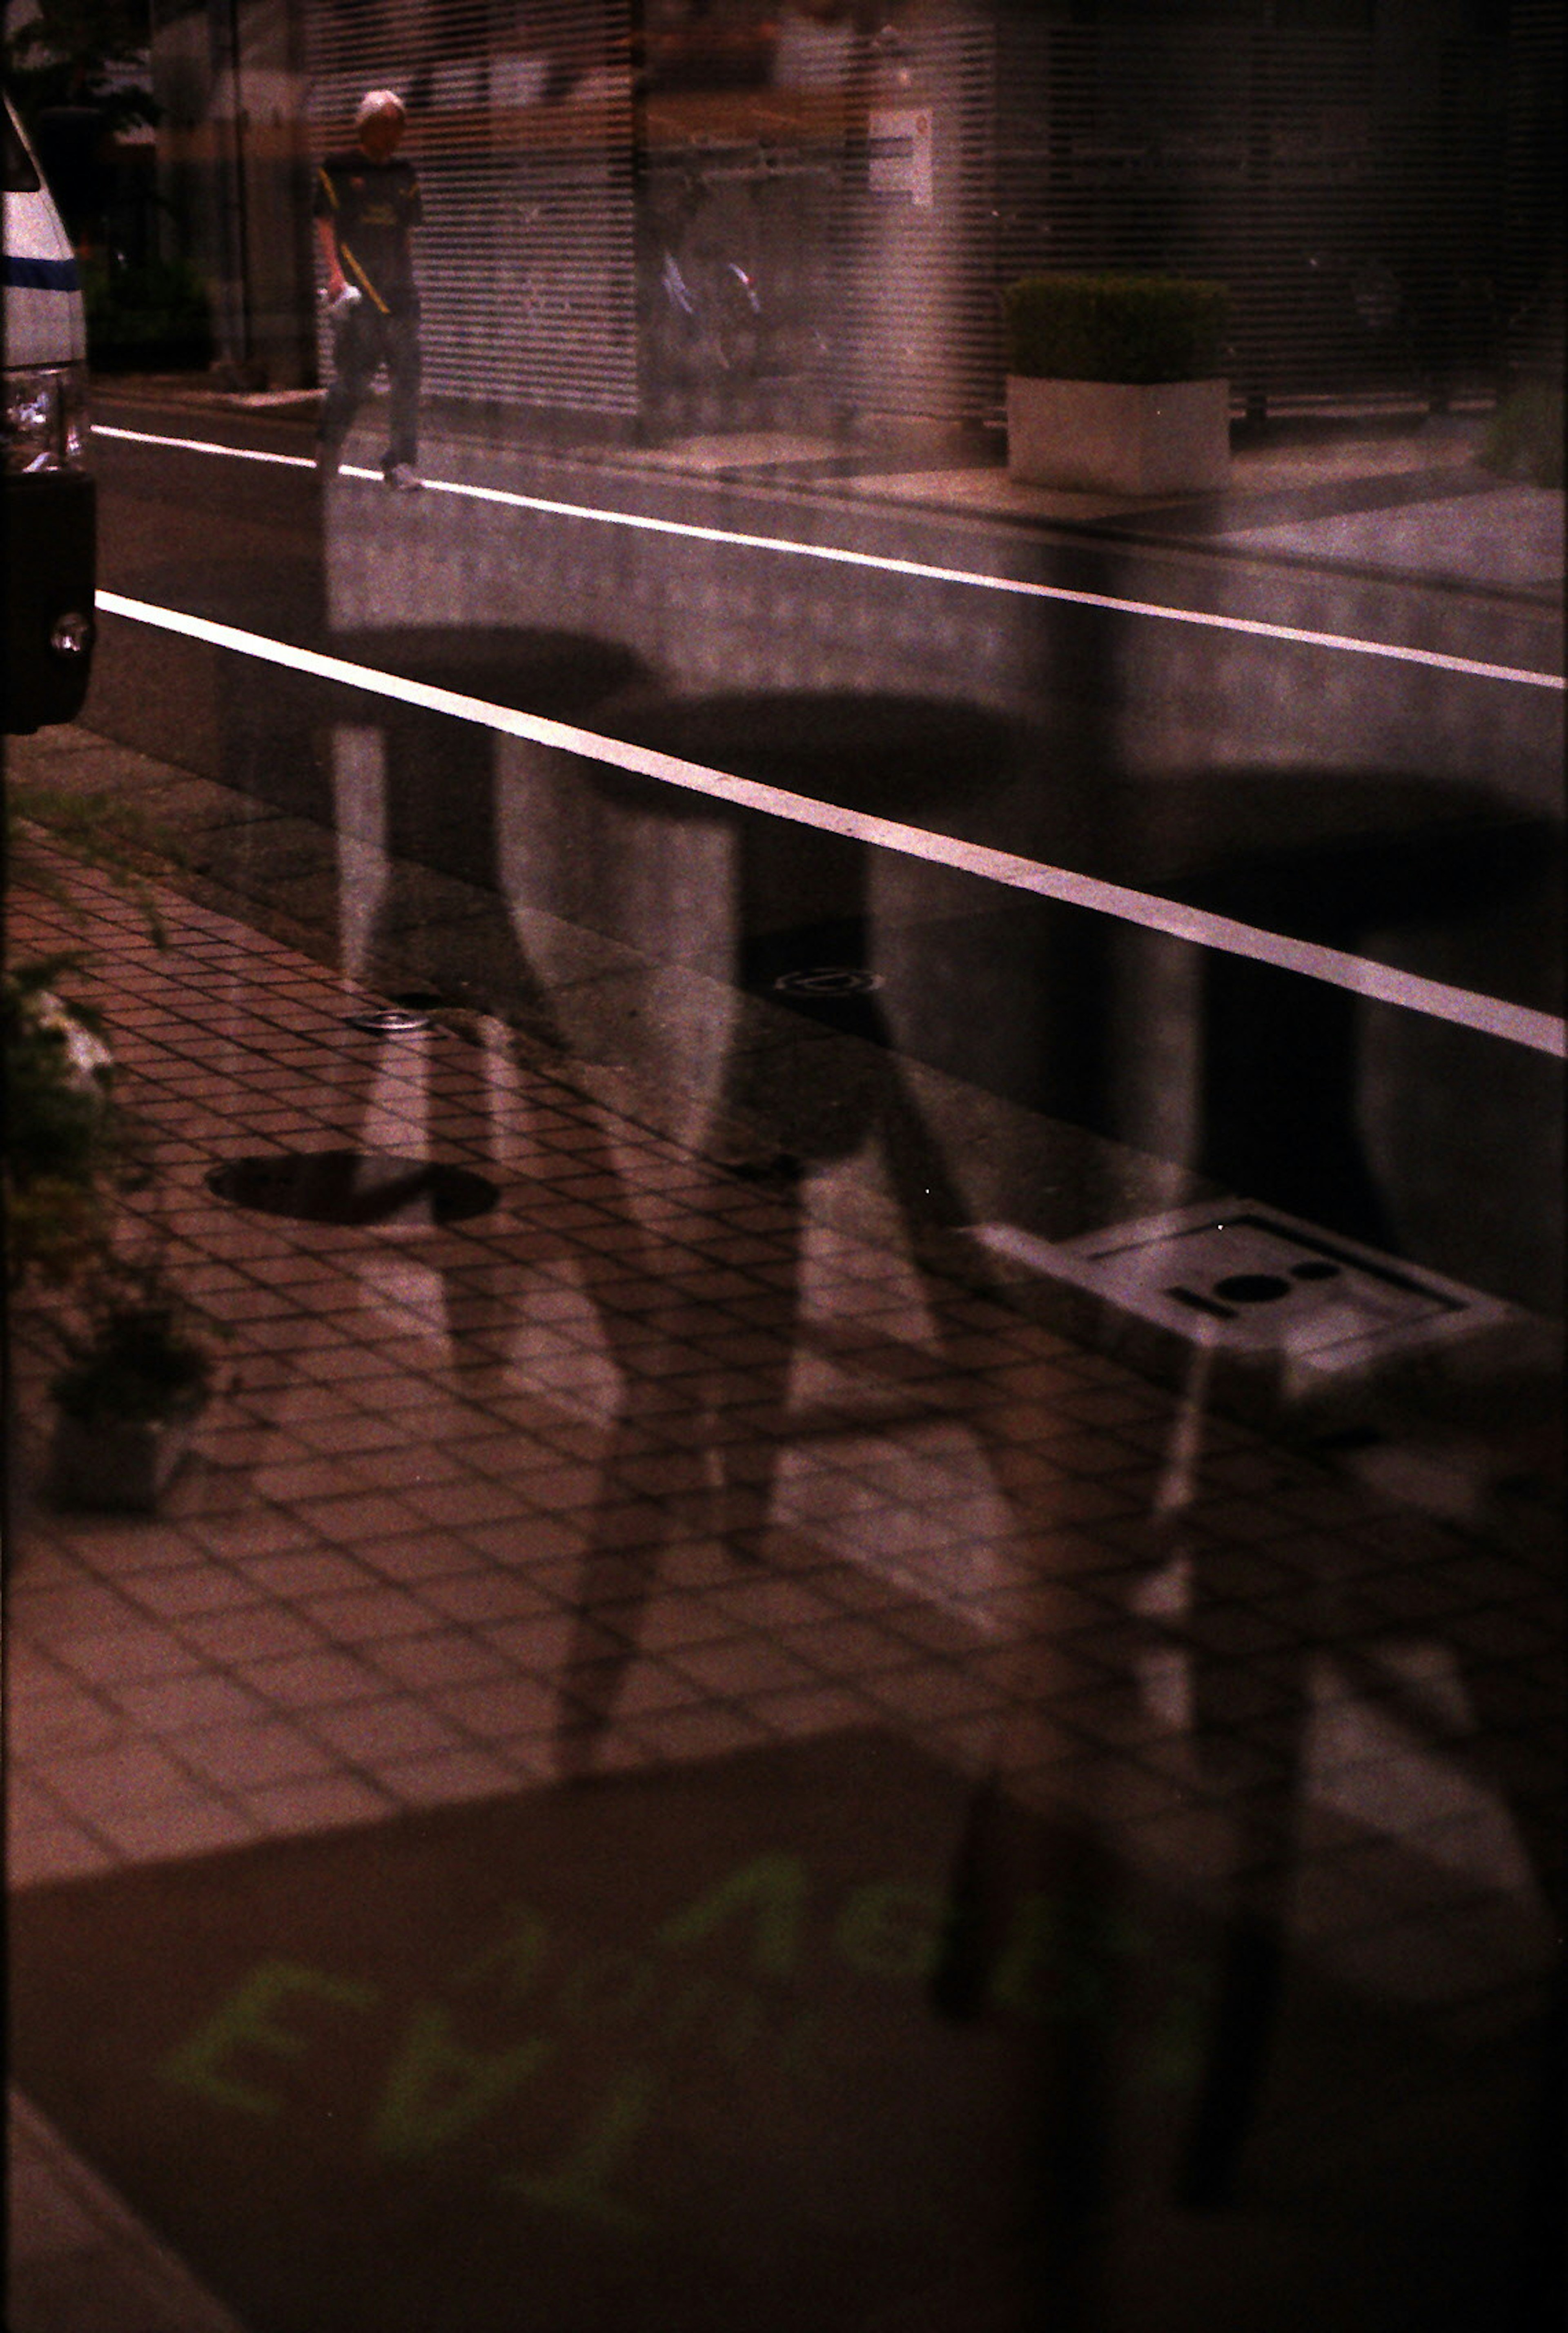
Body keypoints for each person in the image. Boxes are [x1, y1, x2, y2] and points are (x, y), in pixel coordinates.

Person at [314, 90, 424, 489]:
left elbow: (405, 234)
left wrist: (408, 280)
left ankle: (400, 463)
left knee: (407, 376)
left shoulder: (404, 174)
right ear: (367, 126)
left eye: (399, 125)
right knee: (354, 379)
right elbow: (325, 220)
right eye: (386, 125)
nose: (394, 133)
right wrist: (335, 274)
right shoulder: (339, 168)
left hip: (399, 292)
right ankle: (330, 442)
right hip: (359, 290)